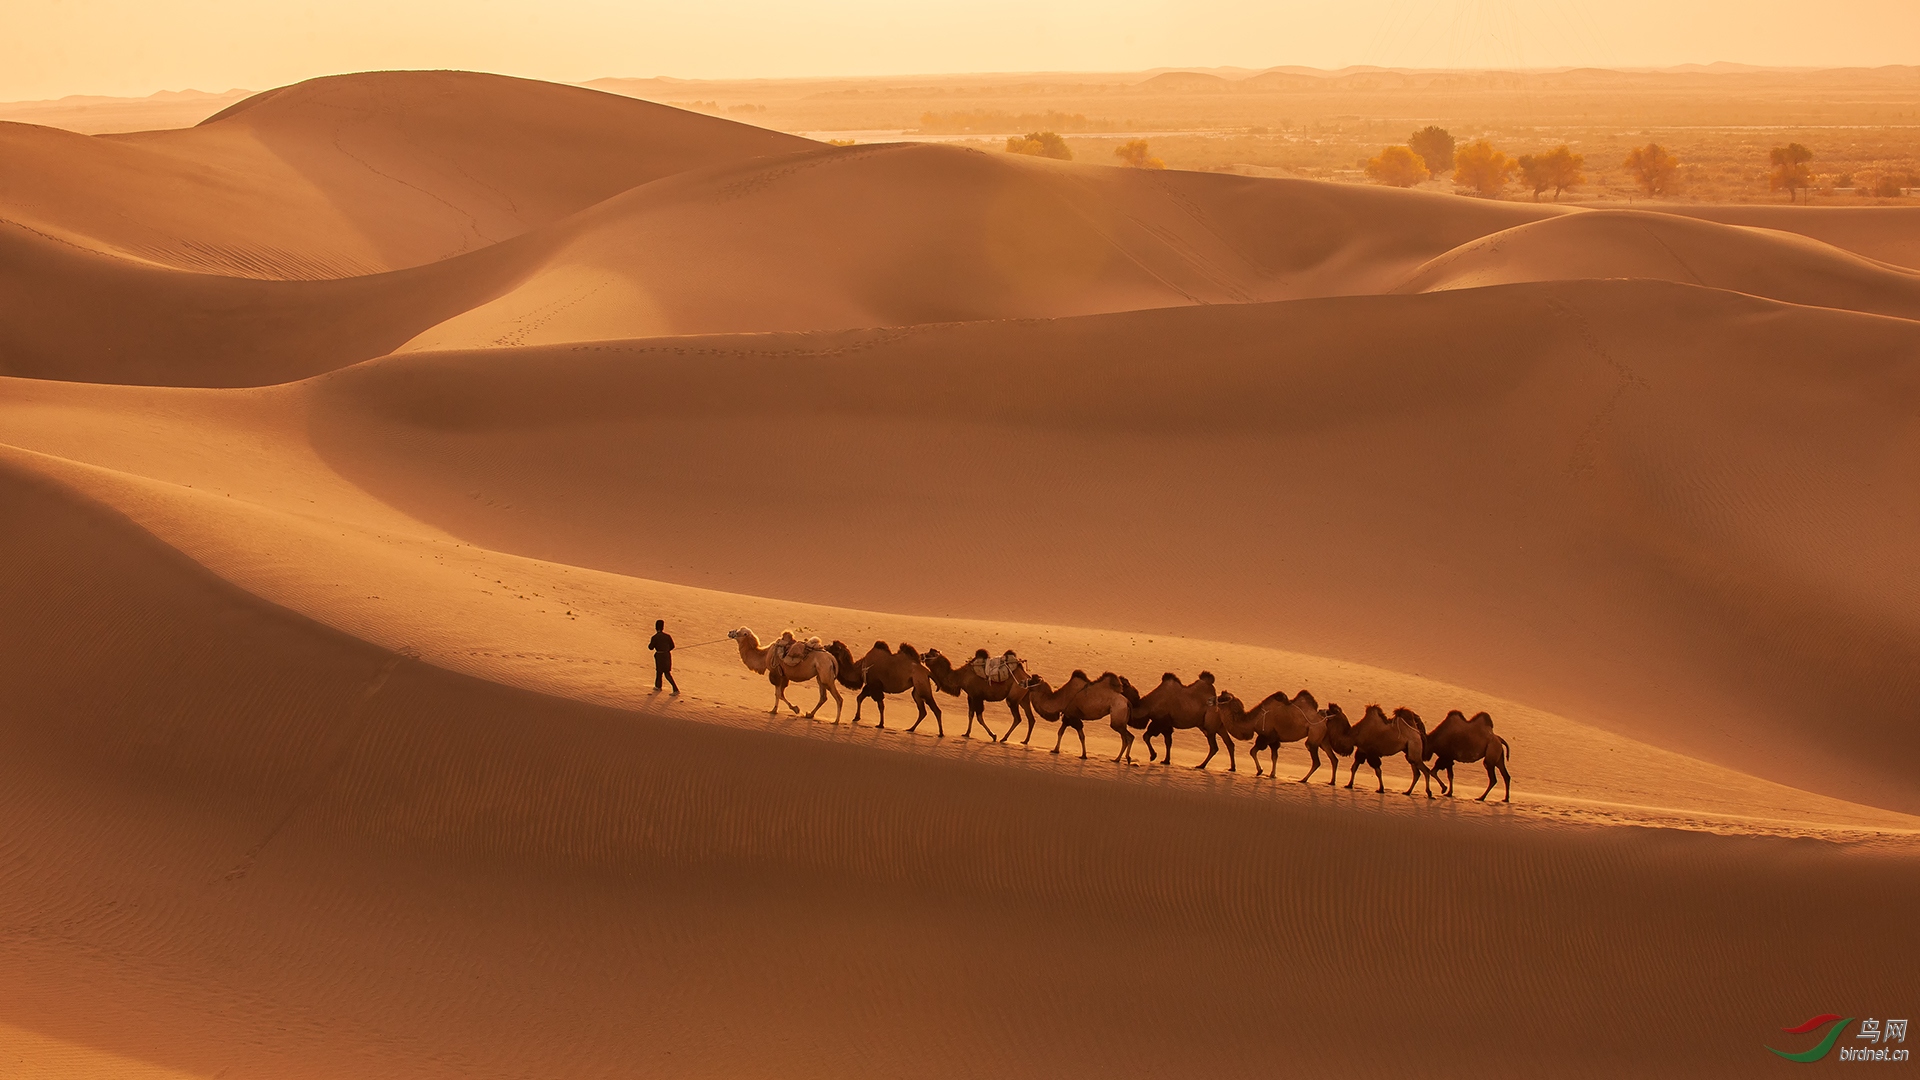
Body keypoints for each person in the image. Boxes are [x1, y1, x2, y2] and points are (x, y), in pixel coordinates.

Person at [647, 619, 678, 694]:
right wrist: (666, 650)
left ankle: (675, 689)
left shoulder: (655, 637)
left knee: (662, 672)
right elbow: (672, 646)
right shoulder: (667, 636)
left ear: (656, 627)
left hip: (659, 656)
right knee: (664, 672)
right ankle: (658, 686)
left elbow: (651, 647)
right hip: (667, 655)